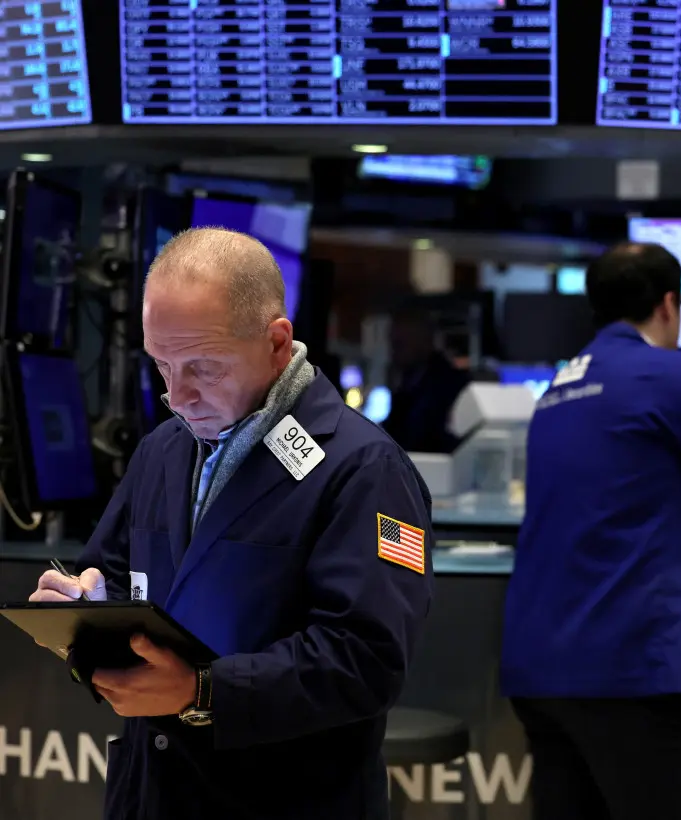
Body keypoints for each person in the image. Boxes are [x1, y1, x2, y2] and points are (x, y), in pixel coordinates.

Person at [29, 227, 435, 820]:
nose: (179, 395)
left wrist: (203, 691)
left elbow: (366, 658)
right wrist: (81, 612)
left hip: (284, 798)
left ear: (276, 342)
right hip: (152, 793)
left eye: (204, 367)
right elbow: (112, 573)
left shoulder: (365, 467)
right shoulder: (163, 449)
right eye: (162, 367)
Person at [500, 241, 681, 820]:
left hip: (543, 669)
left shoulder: (560, 386)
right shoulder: (669, 373)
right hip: (636, 666)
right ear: (670, 304)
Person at [380, 306, 471, 453]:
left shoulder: (448, 384)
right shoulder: (406, 384)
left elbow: (417, 437)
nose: (393, 353)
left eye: (399, 344)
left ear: (424, 340)